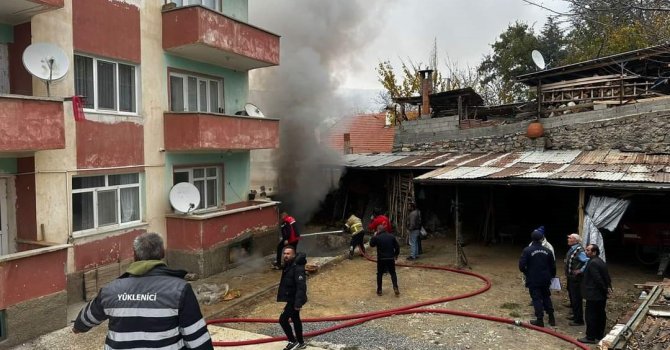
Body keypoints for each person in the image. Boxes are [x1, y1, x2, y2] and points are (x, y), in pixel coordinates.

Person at [73, 232, 213, 349]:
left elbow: (82, 322)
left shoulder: (110, 290)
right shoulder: (180, 289)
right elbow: (197, 339)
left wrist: (78, 327)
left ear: (135, 255)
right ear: (162, 253)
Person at [519, 230, 556, 327]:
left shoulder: (527, 250)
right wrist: (551, 276)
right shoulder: (548, 251)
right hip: (545, 278)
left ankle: (540, 320)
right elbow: (553, 266)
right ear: (541, 239)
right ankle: (551, 317)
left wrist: (527, 273)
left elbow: (521, 266)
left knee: (536, 298)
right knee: (546, 296)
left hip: (533, 278)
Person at [579, 244, 612, 344]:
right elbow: (606, 277)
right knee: (600, 314)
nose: (585, 251)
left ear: (594, 252)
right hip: (600, 295)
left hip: (594, 295)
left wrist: (605, 290)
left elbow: (598, 279)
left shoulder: (593, 263)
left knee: (591, 316)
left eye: (588, 250)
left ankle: (590, 337)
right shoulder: (600, 261)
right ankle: (599, 334)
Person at [277, 245, 308, 350]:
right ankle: (301, 343)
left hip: (294, 300)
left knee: (282, 320)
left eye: (288, 254)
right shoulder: (289, 265)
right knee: (295, 319)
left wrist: (298, 303)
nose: (285, 255)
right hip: (292, 298)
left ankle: (292, 341)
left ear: (293, 255)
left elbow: (301, 287)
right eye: (284, 253)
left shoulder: (297, 268)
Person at [370, 224, 400, 296]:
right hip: (390, 258)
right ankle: (395, 287)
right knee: (393, 273)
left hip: (381, 258)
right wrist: (396, 255)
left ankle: (379, 290)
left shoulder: (377, 237)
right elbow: (397, 247)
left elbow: (371, 244)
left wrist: (374, 236)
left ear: (378, 230)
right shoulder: (391, 236)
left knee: (380, 274)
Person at [565, 233, 589, 326]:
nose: (568, 239)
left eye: (570, 238)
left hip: (576, 279)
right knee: (573, 296)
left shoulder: (579, 251)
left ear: (575, 240)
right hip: (571, 277)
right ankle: (575, 315)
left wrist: (581, 270)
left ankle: (578, 319)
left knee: (576, 298)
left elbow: (587, 261)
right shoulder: (573, 249)